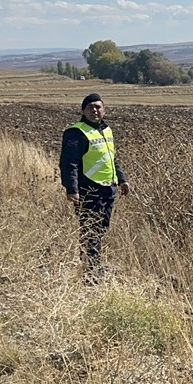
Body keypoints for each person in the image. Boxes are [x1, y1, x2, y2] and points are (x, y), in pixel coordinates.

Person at [60, 92, 132, 281]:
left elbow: (112, 158)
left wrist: (122, 179)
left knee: (100, 229)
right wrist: (72, 189)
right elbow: (69, 163)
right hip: (89, 190)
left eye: (98, 107)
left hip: (108, 189)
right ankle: (90, 272)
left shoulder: (106, 130)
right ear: (83, 111)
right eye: (90, 107)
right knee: (90, 229)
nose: (95, 110)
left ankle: (92, 266)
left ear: (104, 110)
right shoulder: (76, 132)